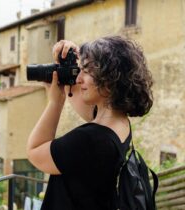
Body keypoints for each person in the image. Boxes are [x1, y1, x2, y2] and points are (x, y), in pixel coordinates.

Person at [26, 36, 153, 210]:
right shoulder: (119, 124)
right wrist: (68, 64)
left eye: (86, 70)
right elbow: (81, 98)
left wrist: (55, 102)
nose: (78, 78)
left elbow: (35, 151)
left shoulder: (89, 140)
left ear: (109, 79)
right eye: (80, 69)